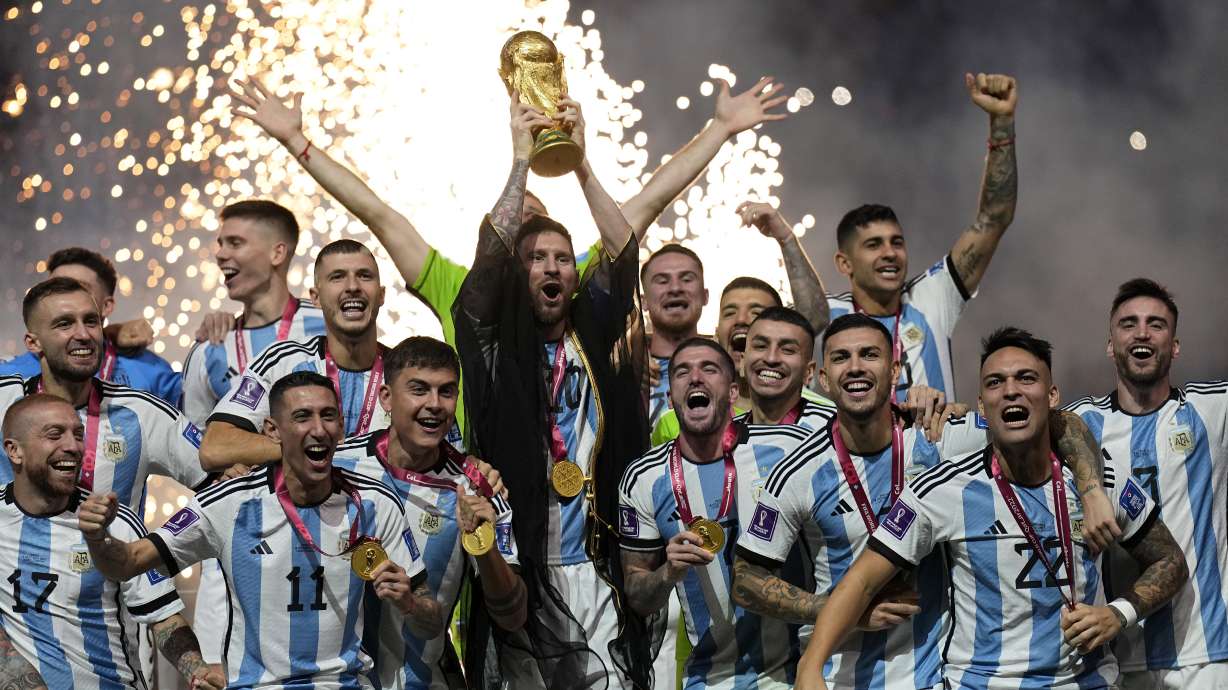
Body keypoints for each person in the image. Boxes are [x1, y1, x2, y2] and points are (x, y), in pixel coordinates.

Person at [228, 71, 791, 443]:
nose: (531, 249)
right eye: (515, 233)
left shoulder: (572, 285)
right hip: (490, 484)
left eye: (541, 238)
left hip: (581, 498)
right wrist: (297, 144)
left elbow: (645, 204)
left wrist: (720, 130)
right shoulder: (458, 287)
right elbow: (379, 214)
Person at [794, 327, 1189, 690]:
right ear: (982, 407)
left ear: (1052, 397)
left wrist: (1118, 613)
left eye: (1027, 378)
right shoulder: (941, 489)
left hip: (1086, 682)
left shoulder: (1098, 481)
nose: (1011, 391)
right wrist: (811, 665)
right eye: (996, 383)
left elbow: (1169, 560)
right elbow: (861, 581)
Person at [452, 96, 649, 687]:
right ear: (518, 273)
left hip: (597, 567)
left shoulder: (593, 330)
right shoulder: (491, 342)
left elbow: (623, 248)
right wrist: (520, 159)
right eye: (536, 258)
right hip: (521, 569)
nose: (552, 267)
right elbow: (489, 256)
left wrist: (582, 165)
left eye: (563, 258)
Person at [78, 371, 443, 688]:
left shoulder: (375, 503)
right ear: (273, 431)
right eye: (302, 417)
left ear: (342, 427)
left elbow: (430, 622)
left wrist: (410, 603)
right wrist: (98, 538)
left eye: (328, 416)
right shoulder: (228, 502)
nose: (319, 429)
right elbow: (126, 563)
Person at [619, 337, 817, 688]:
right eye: (682, 371)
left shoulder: (788, 447)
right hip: (711, 678)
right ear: (669, 399)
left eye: (709, 369)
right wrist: (668, 572)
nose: (695, 377)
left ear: (733, 393)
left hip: (797, 669)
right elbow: (637, 596)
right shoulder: (643, 479)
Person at [332, 336, 526, 688]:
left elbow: (513, 616)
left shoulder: (477, 487)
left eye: (446, 391)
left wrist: (484, 545)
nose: (435, 404)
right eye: (419, 390)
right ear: (386, 398)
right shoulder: (339, 466)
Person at [1065, 278, 1228, 689]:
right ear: (1110, 344)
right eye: (1128, 323)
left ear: (1174, 345)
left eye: (1156, 324)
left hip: (1204, 656)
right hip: (1117, 658)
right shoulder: (1084, 421)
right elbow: (1014, 417)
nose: (1142, 332)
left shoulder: (1212, 410)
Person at [0, 393, 222, 689]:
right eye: (55, 435)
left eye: (78, 434)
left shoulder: (116, 523)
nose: (72, 446)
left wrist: (196, 670)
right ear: (14, 451)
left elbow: (163, 618)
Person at [826, 73, 1021, 401]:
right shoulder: (824, 315)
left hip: (936, 453)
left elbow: (993, 218)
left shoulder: (931, 297)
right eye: (873, 245)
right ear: (844, 262)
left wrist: (1001, 123)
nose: (890, 253)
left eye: (896, 242)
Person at [0, 277, 211, 500]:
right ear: (33, 343)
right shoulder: (4, 398)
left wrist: (162, 536)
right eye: (65, 324)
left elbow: (223, 486)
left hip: (112, 537)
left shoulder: (143, 414)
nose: (83, 334)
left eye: (91, 322)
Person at [199, 239, 393, 469]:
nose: (352, 286)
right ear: (316, 298)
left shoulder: (405, 372)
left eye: (364, 276)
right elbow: (215, 447)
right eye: (337, 277)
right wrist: (309, 448)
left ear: (381, 295)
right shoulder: (281, 361)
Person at [644, 202, 829, 432]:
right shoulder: (636, 367)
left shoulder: (820, 413)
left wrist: (786, 239)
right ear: (716, 332)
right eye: (730, 312)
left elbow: (814, 318)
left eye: (756, 312)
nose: (742, 320)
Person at [182, 199, 325, 427]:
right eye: (221, 244)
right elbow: (193, 446)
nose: (220, 254)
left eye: (235, 243)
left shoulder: (326, 325)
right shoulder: (209, 349)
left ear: (277, 253)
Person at [0, 248, 180, 405]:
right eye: (55, 286)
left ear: (106, 306)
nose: (68, 295)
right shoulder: (7, 375)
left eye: (80, 287)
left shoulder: (150, 371)